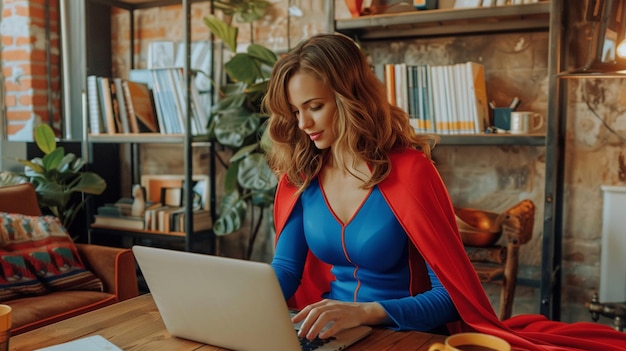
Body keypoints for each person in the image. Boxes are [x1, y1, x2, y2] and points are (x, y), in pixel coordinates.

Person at [263, 33, 626, 350]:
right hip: (327, 334)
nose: (303, 123)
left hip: (403, 332)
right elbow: (286, 270)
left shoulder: (410, 171)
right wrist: (241, 306)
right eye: (295, 111)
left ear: (350, 98)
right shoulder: (301, 176)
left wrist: (364, 313)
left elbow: (452, 297)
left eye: (315, 107)